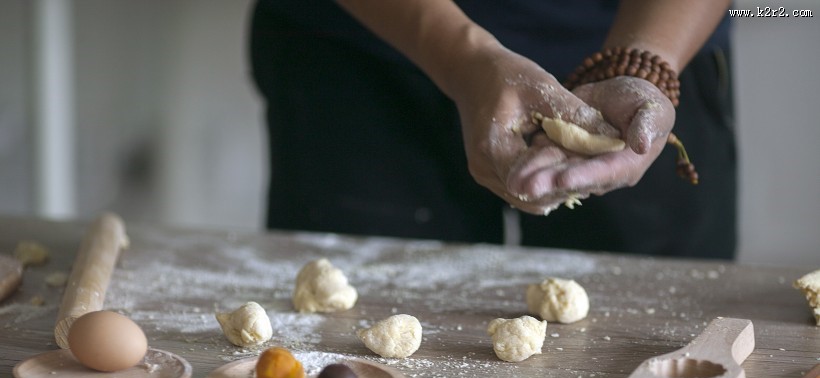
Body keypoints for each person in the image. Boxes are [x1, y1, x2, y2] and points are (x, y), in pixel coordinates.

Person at [249, 0, 736, 259]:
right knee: (356, 333)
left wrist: (648, 64)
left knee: (652, 350)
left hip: (656, 33)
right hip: (366, 49)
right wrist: (463, 61)